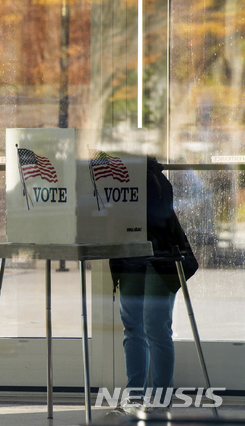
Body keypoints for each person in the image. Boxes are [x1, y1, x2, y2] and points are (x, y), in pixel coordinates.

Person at [108, 156, 183, 417]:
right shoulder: (110, 175)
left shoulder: (155, 178)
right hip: (128, 254)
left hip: (159, 256)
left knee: (155, 325)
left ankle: (161, 400)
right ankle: (135, 397)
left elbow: (158, 217)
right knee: (133, 326)